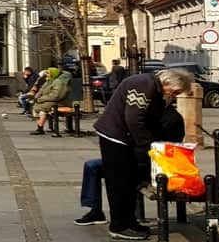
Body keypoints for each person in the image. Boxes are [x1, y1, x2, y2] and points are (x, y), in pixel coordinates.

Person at [93, 67, 196, 239]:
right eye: (175, 91)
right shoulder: (144, 85)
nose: (174, 95)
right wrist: (150, 146)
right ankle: (119, 225)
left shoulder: (152, 86)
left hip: (123, 137)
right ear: (168, 82)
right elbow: (134, 119)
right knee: (119, 182)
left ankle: (129, 221)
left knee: (129, 180)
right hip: (115, 136)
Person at [77, 88, 180, 225]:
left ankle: (121, 219)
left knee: (100, 167)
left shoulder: (171, 119)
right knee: (92, 166)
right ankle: (95, 210)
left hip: (147, 164)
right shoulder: (150, 113)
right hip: (134, 156)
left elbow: (165, 148)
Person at [33, 66, 71, 136]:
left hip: (59, 102)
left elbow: (56, 96)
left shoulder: (59, 82)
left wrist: (41, 99)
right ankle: (40, 127)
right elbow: (41, 90)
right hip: (48, 100)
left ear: (53, 74)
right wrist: (36, 97)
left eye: (48, 73)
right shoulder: (49, 81)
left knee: (42, 108)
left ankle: (40, 128)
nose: (46, 74)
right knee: (35, 106)